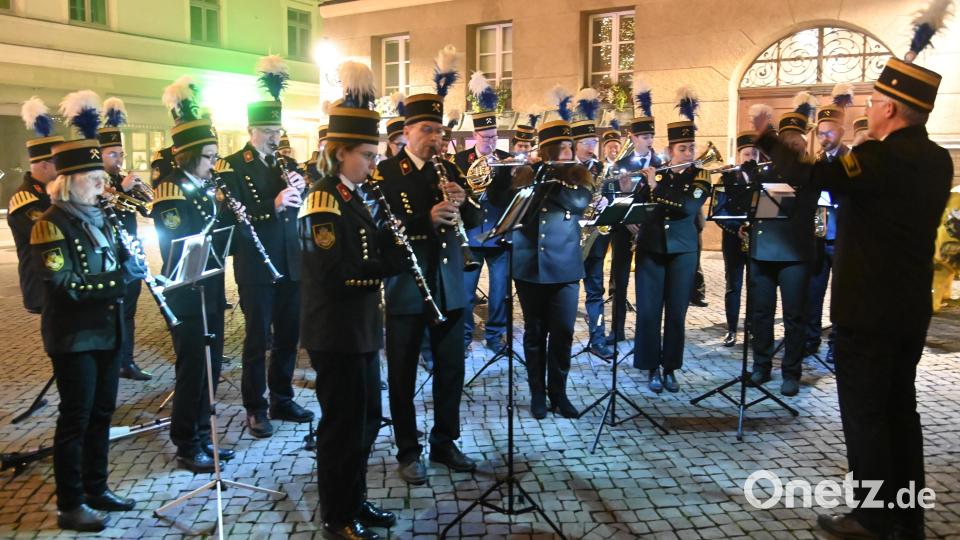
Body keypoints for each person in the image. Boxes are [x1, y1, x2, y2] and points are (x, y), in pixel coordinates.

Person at [754, 56, 952, 539]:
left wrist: (765, 137)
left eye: (875, 100)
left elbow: (810, 177)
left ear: (890, 108)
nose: (869, 105)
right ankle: (908, 517)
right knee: (901, 412)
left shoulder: (878, 159)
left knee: (865, 415)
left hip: (866, 308)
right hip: (909, 308)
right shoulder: (938, 158)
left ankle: (872, 517)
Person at [299, 67, 399, 540]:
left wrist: (400, 246)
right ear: (340, 153)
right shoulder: (322, 200)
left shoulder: (354, 194)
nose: (372, 164)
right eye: (366, 155)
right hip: (335, 331)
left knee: (369, 418)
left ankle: (355, 499)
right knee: (342, 427)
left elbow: (371, 250)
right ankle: (337, 516)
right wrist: (389, 265)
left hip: (359, 328)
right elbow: (336, 273)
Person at [33, 91, 138, 531]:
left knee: (102, 414)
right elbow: (65, 287)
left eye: (101, 175)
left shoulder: (102, 217)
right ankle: (70, 503)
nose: (102, 183)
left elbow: (117, 262)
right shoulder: (49, 224)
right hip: (75, 337)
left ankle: (98, 487)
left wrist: (132, 266)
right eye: (93, 176)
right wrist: (120, 281)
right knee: (75, 419)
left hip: (107, 330)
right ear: (70, 180)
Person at [374, 55, 482, 485]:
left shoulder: (452, 169)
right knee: (401, 373)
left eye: (439, 131)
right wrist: (427, 218)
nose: (436, 138)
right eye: (427, 131)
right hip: (407, 288)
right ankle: (407, 449)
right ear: (406, 134)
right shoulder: (385, 175)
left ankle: (444, 441)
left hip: (449, 283)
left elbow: (474, 222)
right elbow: (383, 234)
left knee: (452, 368)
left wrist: (463, 201)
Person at [218, 56, 313, 438]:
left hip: (290, 263)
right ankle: (255, 407)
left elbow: (297, 213)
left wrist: (299, 191)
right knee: (258, 340)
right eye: (268, 130)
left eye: (277, 129)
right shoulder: (231, 167)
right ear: (251, 129)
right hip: (257, 266)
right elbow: (231, 220)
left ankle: (282, 397)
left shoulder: (284, 163)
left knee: (289, 337)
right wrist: (271, 206)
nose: (275, 136)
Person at [152, 76, 234, 472]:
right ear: (187, 156)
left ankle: (204, 434)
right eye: (208, 157)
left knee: (211, 365)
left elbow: (220, 238)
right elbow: (175, 239)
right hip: (186, 291)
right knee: (191, 369)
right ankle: (186, 443)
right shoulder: (171, 188)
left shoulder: (202, 185)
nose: (213, 164)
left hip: (211, 286)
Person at [512, 113, 592, 419]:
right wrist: (527, 172)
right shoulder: (525, 175)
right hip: (529, 266)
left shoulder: (579, 177)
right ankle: (537, 394)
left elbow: (578, 203)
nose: (569, 154)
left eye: (570, 148)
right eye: (563, 149)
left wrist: (549, 177)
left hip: (565, 268)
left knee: (562, 333)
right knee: (534, 333)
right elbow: (507, 203)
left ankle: (558, 392)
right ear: (548, 151)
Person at [632, 87, 711, 394]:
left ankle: (671, 368)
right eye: (682, 149)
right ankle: (651, 366)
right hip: (651, 249)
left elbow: (688, 207)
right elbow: (639, 207)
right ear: (669, 150)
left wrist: (654, 188)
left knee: (676, 313)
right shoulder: (658, 174)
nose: (688, 154)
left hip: (683, 251)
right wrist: (634, 186)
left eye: (691, 148)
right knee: (650, 312)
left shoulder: (701, 177)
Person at [747, 92, 820, 397]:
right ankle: (761, 365)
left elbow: (799, 203)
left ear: (803, 143)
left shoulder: (811, 172)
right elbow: (753, 207)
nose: (792, 145)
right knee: (761, 313)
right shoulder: (763, 172)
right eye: (786, 140)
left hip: (794, 254)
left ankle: (791, 371)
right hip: (763, 252)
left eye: (796, 140)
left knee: (794, 316)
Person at [98, 97, 152, 381]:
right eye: (114, 155)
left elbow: (146, 210)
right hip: (109, 256)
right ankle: (108, 363)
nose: (120, 160)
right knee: (111, 312)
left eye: (121, 154)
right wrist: (122, 186)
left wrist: (141, 195)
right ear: (100, 155)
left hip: (130, 250)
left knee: (129, 310)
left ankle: (126, 361)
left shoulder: (119, 180)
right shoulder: (93, 182)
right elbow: (102, 209)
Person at [457, 74, 511, 353]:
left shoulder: (505, 159)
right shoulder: (459, 161)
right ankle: (464, 337)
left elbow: (511, 196)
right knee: (466, 293)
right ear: (475, 136)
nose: (491, 141)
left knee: (500, 293)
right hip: (472, 235)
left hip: (498, 234)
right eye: (486, 137)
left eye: (494, 136)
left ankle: (494, 337)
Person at [804, 84, 853, 364]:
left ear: (841, 131)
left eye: (829, 132)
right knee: (814, 290)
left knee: (841, 296)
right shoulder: (817, 160)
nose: (824, 138)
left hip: (844, 235)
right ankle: (811, 339)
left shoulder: (851, 159)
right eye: (820, 133)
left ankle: (836, 343)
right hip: (820, 232)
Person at [609, 85, 662, 345]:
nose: (648, 141)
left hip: (649, 231)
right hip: (623, 229)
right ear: (632, 138)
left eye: (650, 136)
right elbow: (613, 198)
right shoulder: (621, 165)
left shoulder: (661, 164)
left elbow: (662, 200)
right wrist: (627, 218)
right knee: (619, 280)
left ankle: (645, 332)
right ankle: (616, 329)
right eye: (643, 137)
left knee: (646, 283)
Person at [572, 88, 613, 359]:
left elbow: (609, 195)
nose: (591, 146)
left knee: (596, 292)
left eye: (592, 141)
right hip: (569, 239)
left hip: (594, 238)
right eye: (586, 142)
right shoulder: (564, 167)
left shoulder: (602, 168)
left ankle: (598, 339)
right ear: (575, 143)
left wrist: (606, 203)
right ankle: (561, 338)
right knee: (566, 294)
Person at [10, 97, 60, 314]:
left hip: (57, 280)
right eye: (59, 164)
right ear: (44, 165)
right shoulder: (25, 200)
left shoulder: (51, 191)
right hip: (42, 285)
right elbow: (49, 232)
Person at [717, 132, 760, 347]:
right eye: (746, 153)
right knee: (733, 285)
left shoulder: (762, 176)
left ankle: (751, 329)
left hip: (756, 238)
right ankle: (732, 329)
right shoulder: (727, 177)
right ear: (739, 154)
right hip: (733, 238)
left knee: (754, 284)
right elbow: (719, 210)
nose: (750, 157)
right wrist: (737, 229)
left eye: (754, 153)